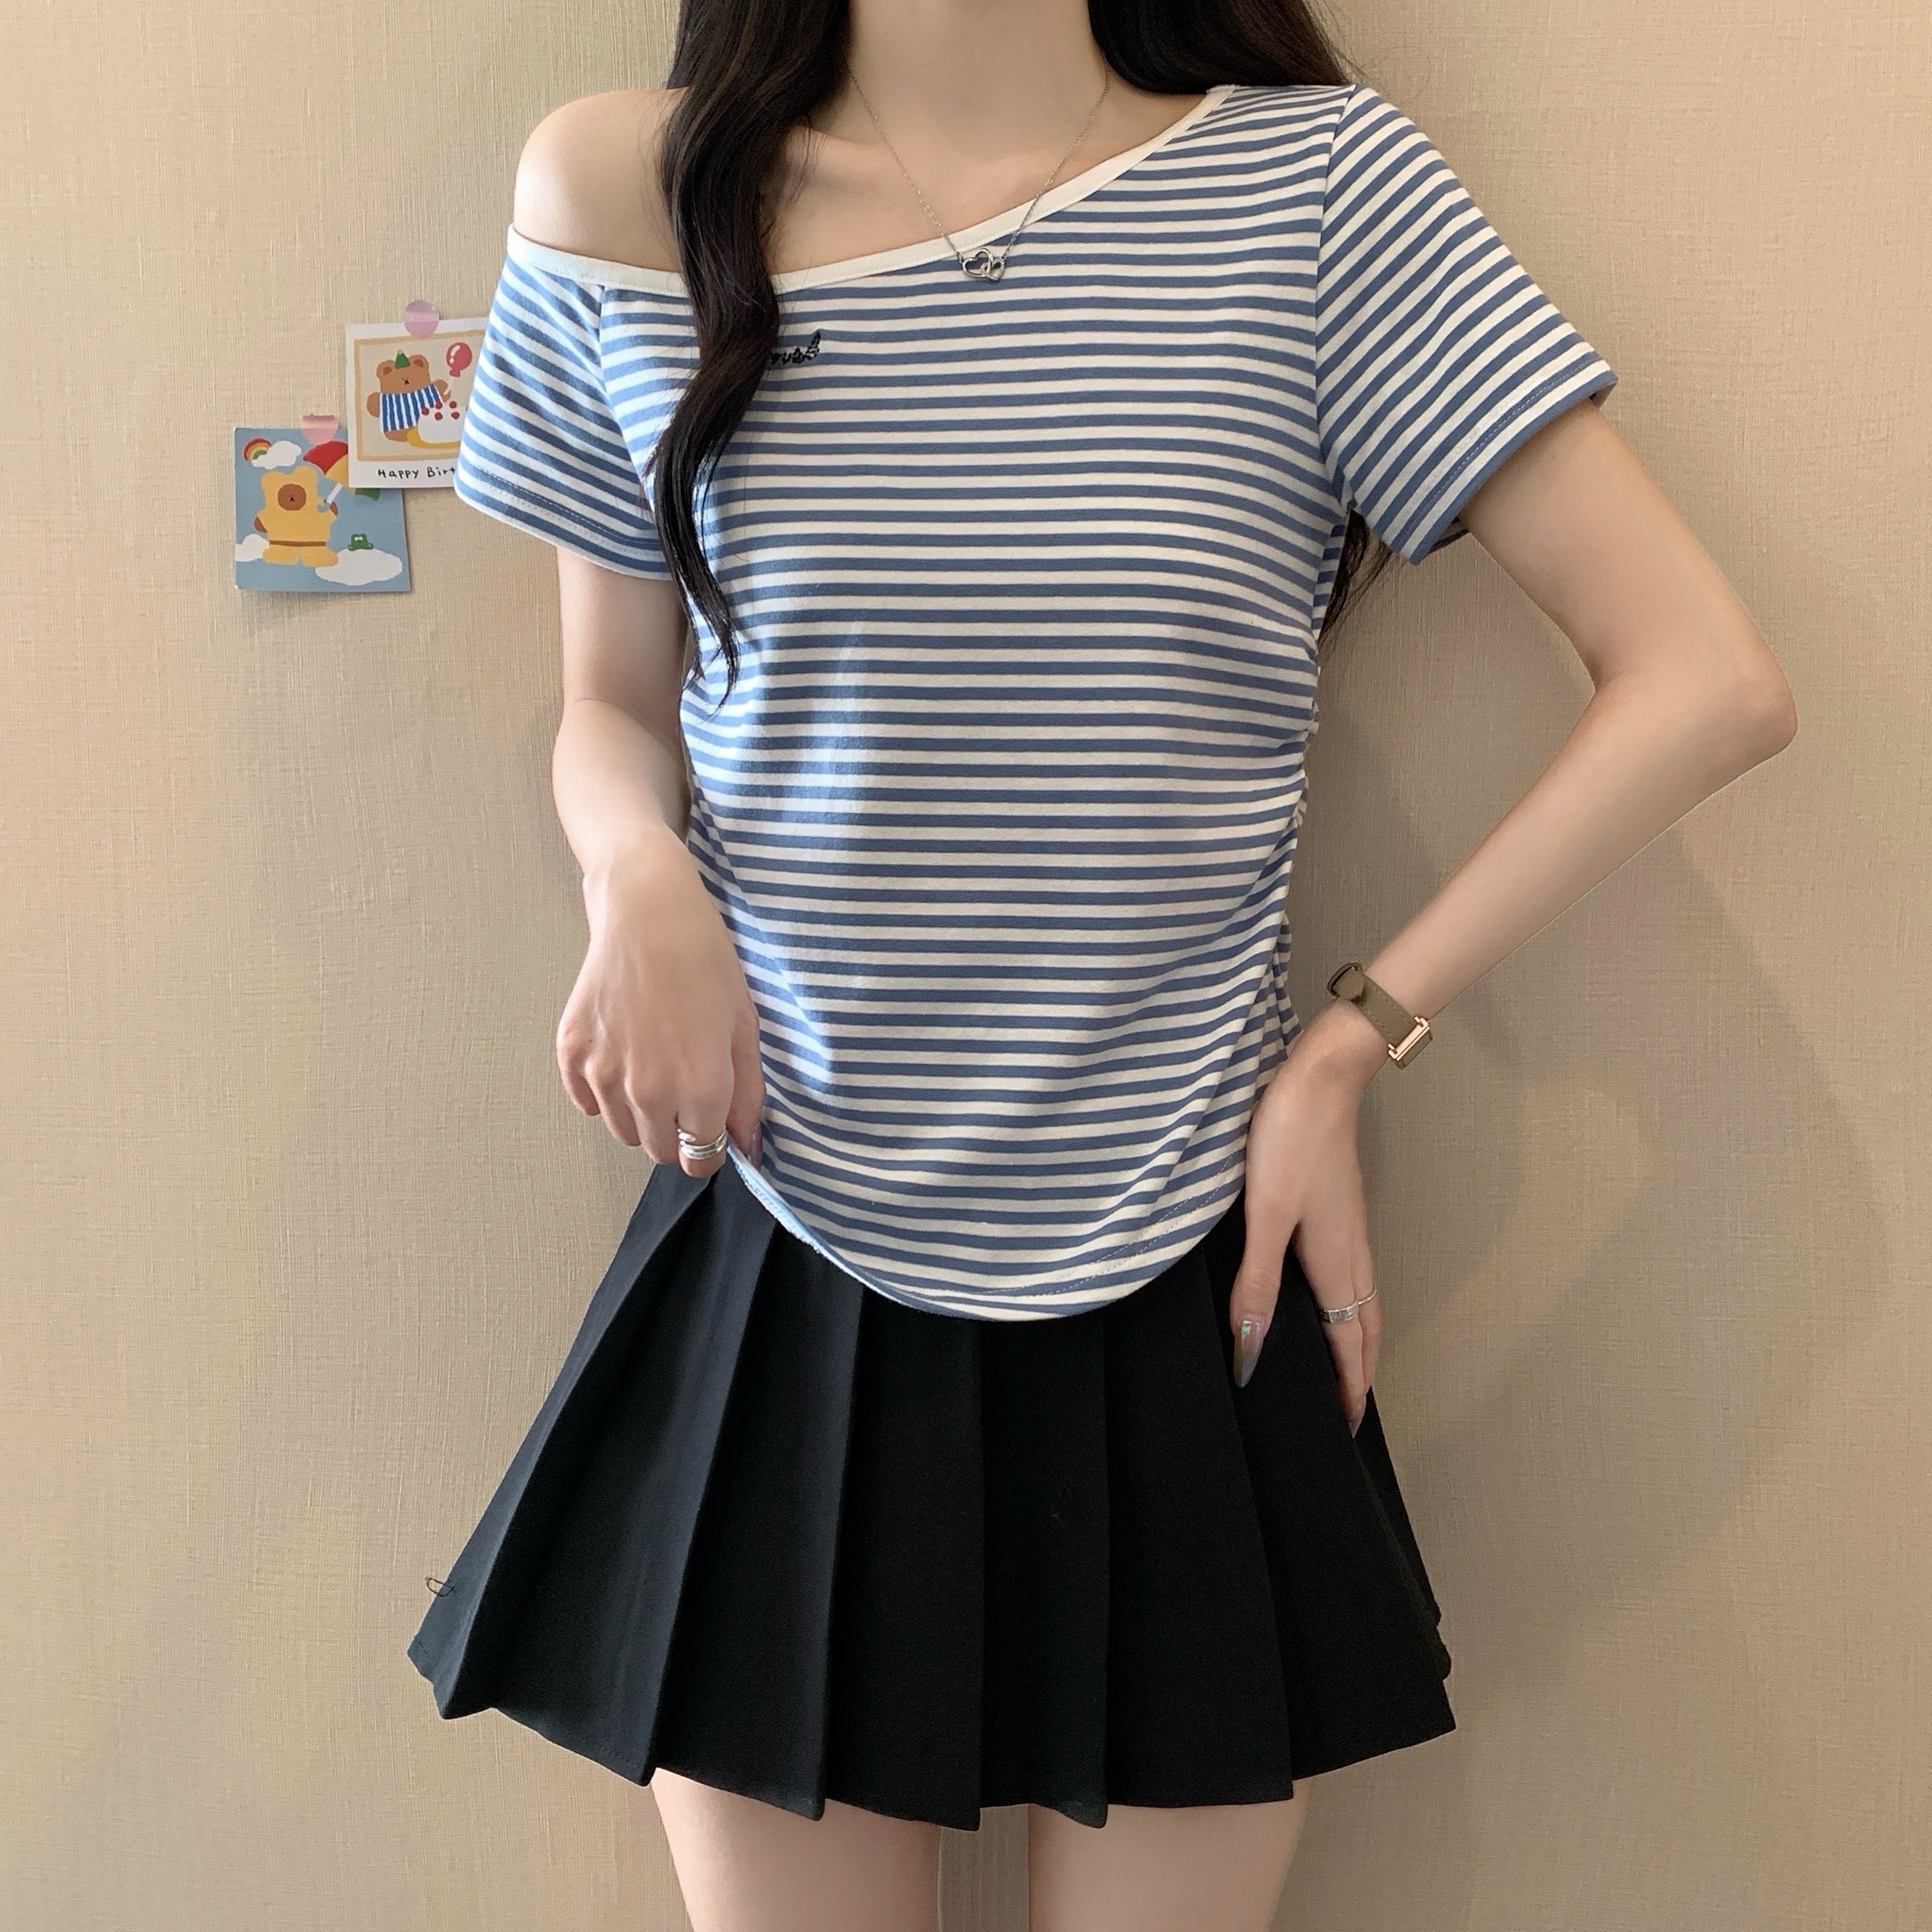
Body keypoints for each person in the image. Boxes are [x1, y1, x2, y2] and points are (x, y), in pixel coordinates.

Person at [407, 3, 1796, 1926]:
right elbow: (609, 701)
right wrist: (633, 872)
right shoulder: (626, 193)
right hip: (787, 1221)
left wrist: (1349, 1049)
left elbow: (1707, 679)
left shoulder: (1318, 193)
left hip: (1186, 1250)